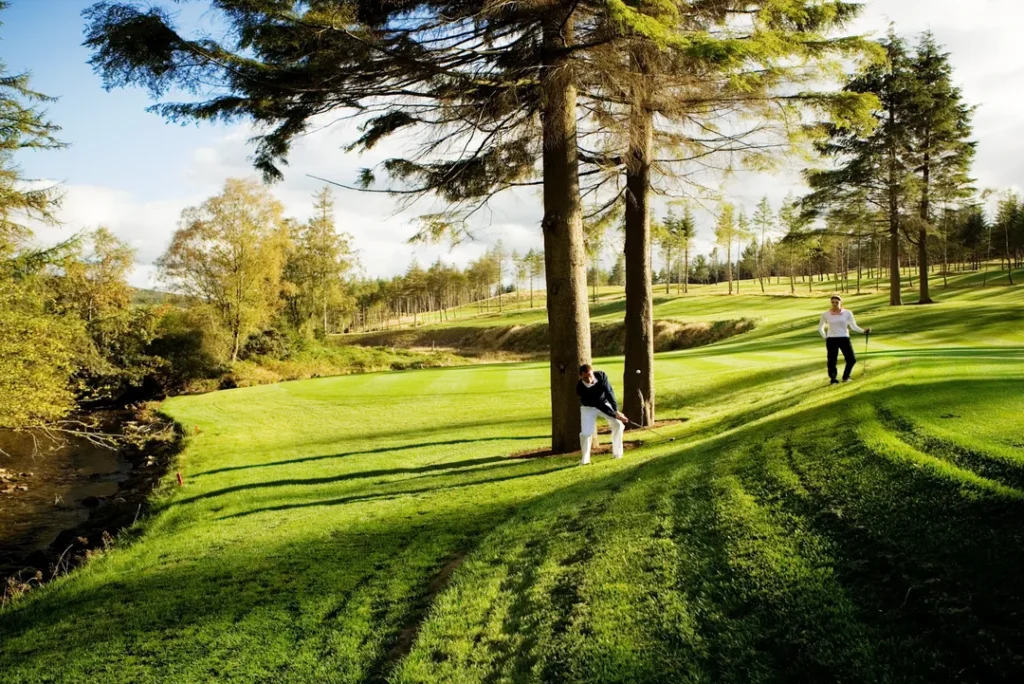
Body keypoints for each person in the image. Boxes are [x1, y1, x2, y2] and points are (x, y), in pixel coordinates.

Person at [575, 364, 628, 465]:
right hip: (588, 408)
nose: (589, 379)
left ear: (592, 372)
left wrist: (616, 411)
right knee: (586, 434)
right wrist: (614, 414)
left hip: (604, 403)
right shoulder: (580, 389)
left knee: (618, 424)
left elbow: (609, 392)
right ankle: (585, 460)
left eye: (590, 375)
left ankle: (618, 454)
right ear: (580, 376)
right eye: (585, 377)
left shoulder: (601, 376)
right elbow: (598, 404)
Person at [818, 295, 871, 384]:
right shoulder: (825, 314)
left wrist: (863, 331)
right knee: (832, 361)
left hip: (844, 338)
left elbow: (853, 326)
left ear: (841, 303)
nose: (834, 304)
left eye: (836, 302)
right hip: (831, 339)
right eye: (833, 302)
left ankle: (846, 377)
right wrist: (825, 337)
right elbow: (820, 328)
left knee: (851, 359)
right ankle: (833, 379)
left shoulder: (847, 313)